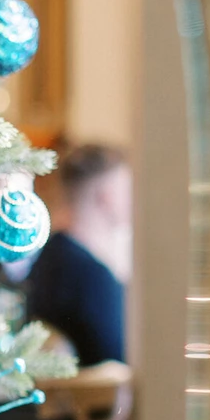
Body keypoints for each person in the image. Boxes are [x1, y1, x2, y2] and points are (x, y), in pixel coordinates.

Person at [25, 143, 131, 366]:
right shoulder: (91, 275)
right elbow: (120, 359)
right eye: (127, 189)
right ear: (107, 196)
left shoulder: (54, 254)